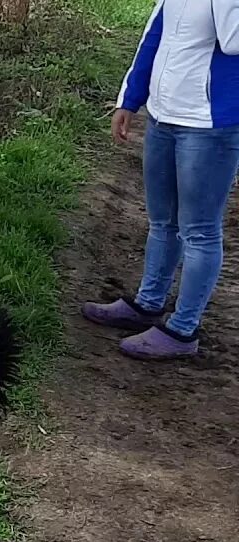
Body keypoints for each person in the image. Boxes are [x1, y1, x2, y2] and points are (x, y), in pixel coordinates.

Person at [81, 0, 239, 359]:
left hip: (209, 125)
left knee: (199, 230)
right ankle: (147, 304)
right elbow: (153, 38)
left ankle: (183, 331)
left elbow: (233, 41)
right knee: (162, 221)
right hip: (164, 118)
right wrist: (130, 99)